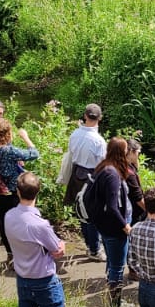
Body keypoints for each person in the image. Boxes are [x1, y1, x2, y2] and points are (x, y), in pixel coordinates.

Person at [4, 172, 67, 307]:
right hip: (45, 281)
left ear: (18, 191)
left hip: (23, 280)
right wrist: (62, 246)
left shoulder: (9, 216)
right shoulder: (40, 225)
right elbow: (57, 249)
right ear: (38, 192)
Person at [87, 137, 137, 307]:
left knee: (112, 263)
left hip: (104, 226)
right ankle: (116, 306)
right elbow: (113, 207)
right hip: (115, 229)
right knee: (117, 267)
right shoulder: (112, 174)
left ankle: (113, 300)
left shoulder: (104, 166)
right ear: (121, 153)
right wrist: (125, 226)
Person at [0, 118, 40, 266]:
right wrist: (25, 137)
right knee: (20, 223)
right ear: (7, 134)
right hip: (13, 192)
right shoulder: (9, 151)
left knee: (4, 222)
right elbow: (34, 154)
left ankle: (10, 254)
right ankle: (22, 256)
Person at [65, 104, 108, 260]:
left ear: (85, 116)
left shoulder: (75, 134)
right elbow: (102, 164)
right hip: (92, 178)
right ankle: (95, 249)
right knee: (94, 214)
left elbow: (71, 152)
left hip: (76, 175)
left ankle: (90, 245)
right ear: (100, 118)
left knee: (81, 212)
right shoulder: (99, 141)